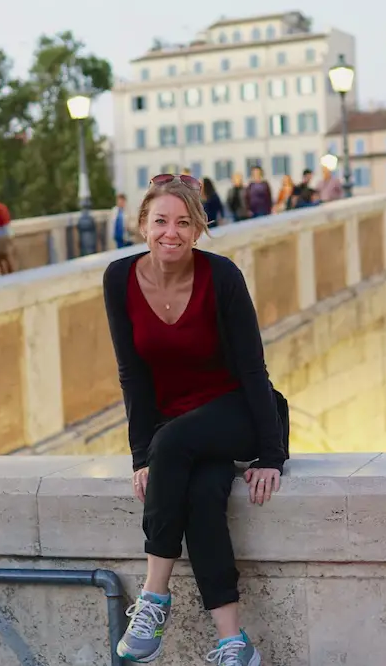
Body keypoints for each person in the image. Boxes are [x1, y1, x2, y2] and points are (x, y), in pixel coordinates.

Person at [103, 172, 289, 666]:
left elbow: (252, 368)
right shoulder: (119, 279)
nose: (172, 232)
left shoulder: (221, 275)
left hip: (238, 411)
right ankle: (235, 642)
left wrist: (272, 455)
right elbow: (132, 375)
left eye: (184, 223)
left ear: (198, 229)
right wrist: (142, 455)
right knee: (204, 496)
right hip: (178, 428)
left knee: (175, 444)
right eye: (161, 220)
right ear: (142, 224)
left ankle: (153, 597)